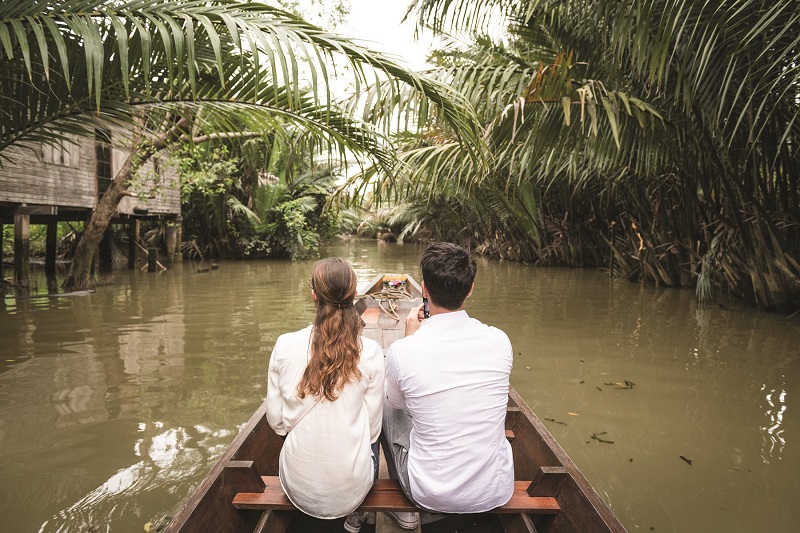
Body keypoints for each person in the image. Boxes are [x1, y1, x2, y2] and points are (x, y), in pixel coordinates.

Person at [382, 242, 514, 529]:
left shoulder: (403, 352)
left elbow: (396, 404)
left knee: (384, 402)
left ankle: (401, 501)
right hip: (495, 490)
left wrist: (409, 338)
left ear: (424, 289)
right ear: (470, 289)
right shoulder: (500, 341)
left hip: (429, 493)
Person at [266, 257, 384, 526]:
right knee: (375, 428)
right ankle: (356, 514)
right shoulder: (372, 352)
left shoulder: (284, 345)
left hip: (297, 486)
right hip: (352, 489)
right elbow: (374, 431)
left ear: (313, 295)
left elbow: (276, 422)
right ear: (354, 295)